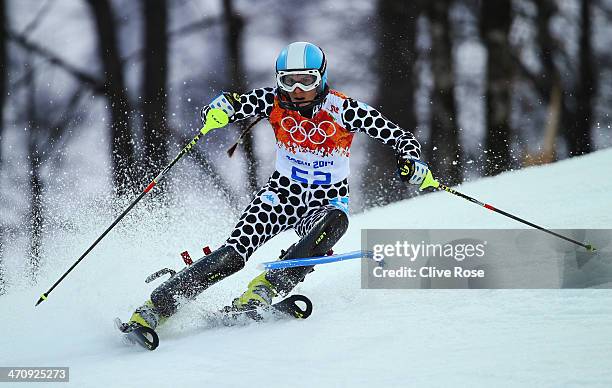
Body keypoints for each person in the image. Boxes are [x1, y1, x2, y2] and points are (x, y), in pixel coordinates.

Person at [124, 41, 429, 331]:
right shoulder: (271, 101)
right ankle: (156, 307)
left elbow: (400, 136)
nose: (297, 90)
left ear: (321, 78)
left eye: (306, 81)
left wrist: (412, 161)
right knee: (233, 255)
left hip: (326, 201)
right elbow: (230, 105)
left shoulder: (344, 109)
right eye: (288, 81)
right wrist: (217, 111)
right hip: (282, 194)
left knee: (335, 222)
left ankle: (264, 290)